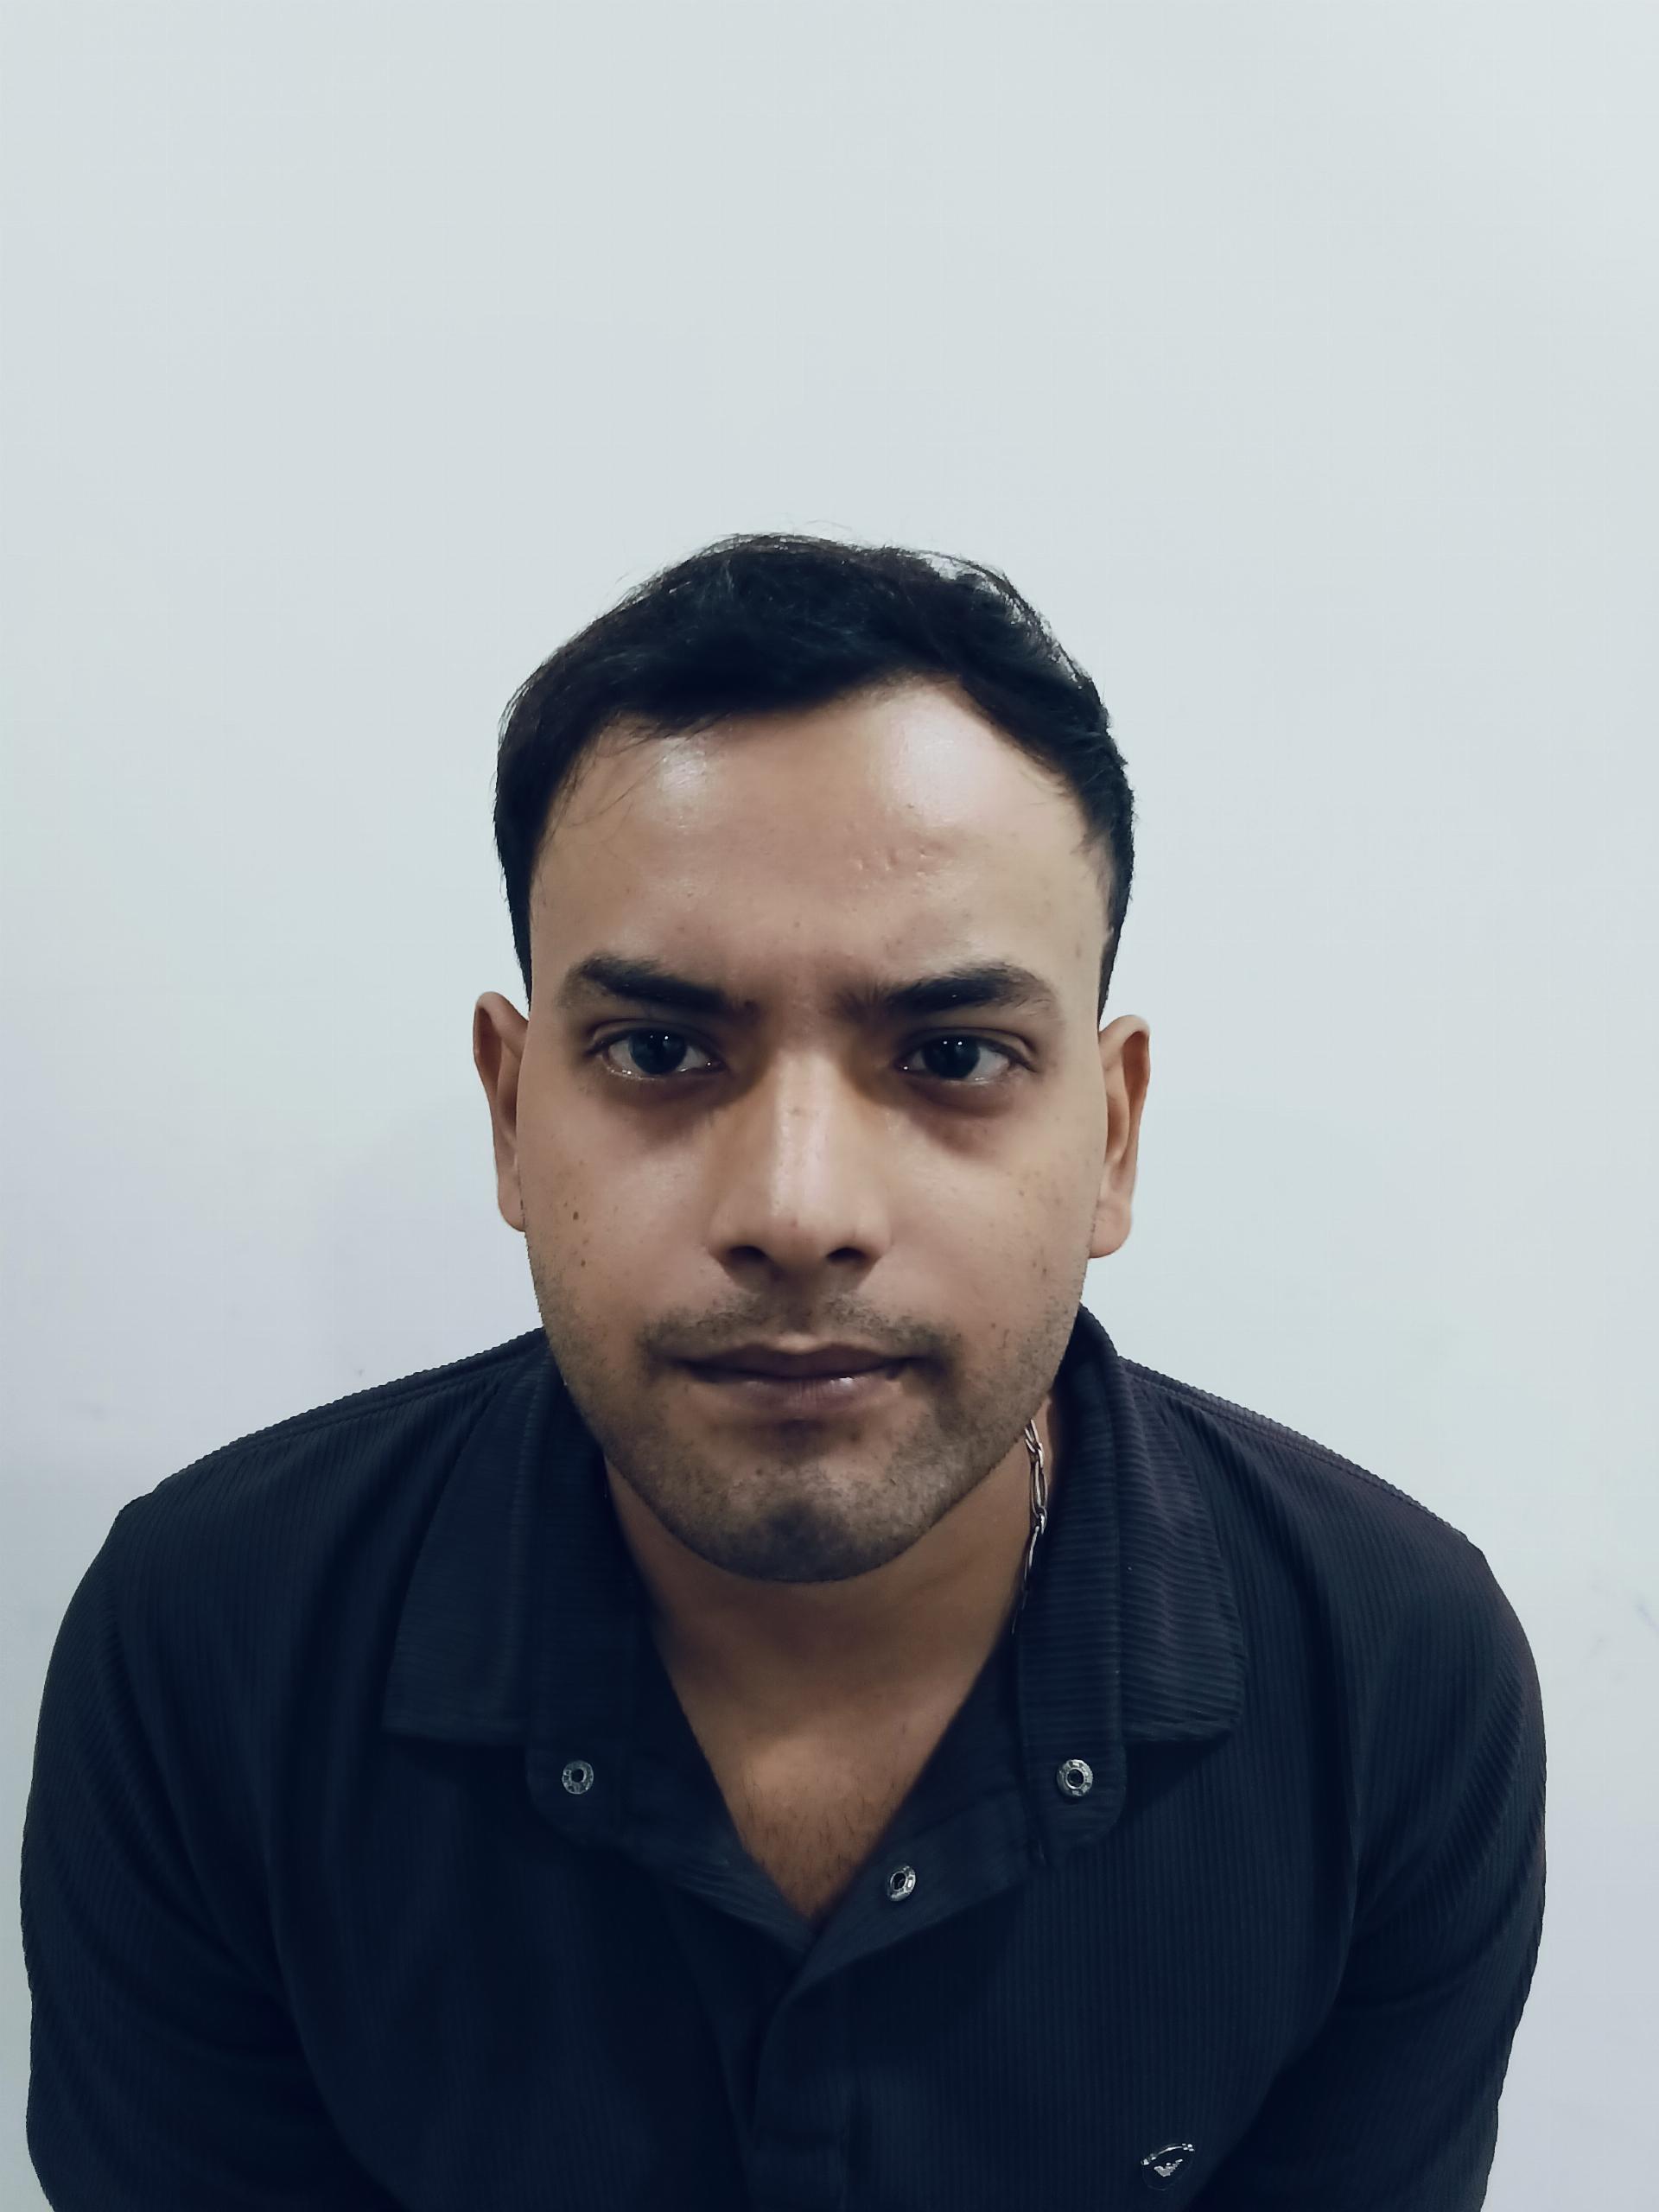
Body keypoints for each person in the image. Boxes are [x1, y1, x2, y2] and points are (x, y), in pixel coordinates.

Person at [21, 531, 1546, 2209]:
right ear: (512, 1111)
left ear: (1111, 1136)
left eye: (952, 1054)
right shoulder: (213, 1651)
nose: (799, 1209)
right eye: (659, 1048)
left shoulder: (1389, 1680)